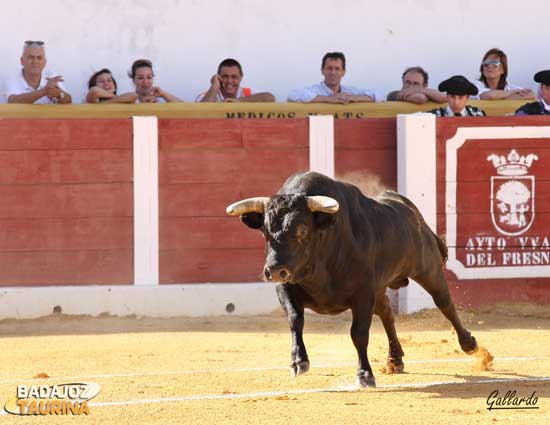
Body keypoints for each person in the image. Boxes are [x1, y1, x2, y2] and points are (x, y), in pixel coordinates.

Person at [287, 52, 379, 104]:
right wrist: (329, 99)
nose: (333, 72)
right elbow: (292, 95)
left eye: (337, 69)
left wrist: (355, 98)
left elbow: (379, 94)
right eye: (329, 68)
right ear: (322, 71)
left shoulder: (349, 92)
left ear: (343, 72)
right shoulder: (315, 90)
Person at [6, 40, 72, 104]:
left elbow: (68, 100)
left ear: (45, 62)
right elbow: (12, 101)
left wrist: (59, 94)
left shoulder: (51, 75)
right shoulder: (12, 78)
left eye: (39, 58)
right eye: (31, 57)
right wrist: (43, 92)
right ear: (22, 61)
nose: (35, 61)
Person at [196, 58, 275, 102]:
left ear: (241, 77)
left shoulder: (248, 92)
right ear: (218, 77)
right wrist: (214, 86)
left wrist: (236, 101)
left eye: (234, 77)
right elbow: (200, 113)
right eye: (225, 76)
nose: (229, 81)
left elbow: (270, 97)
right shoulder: (206, 95)